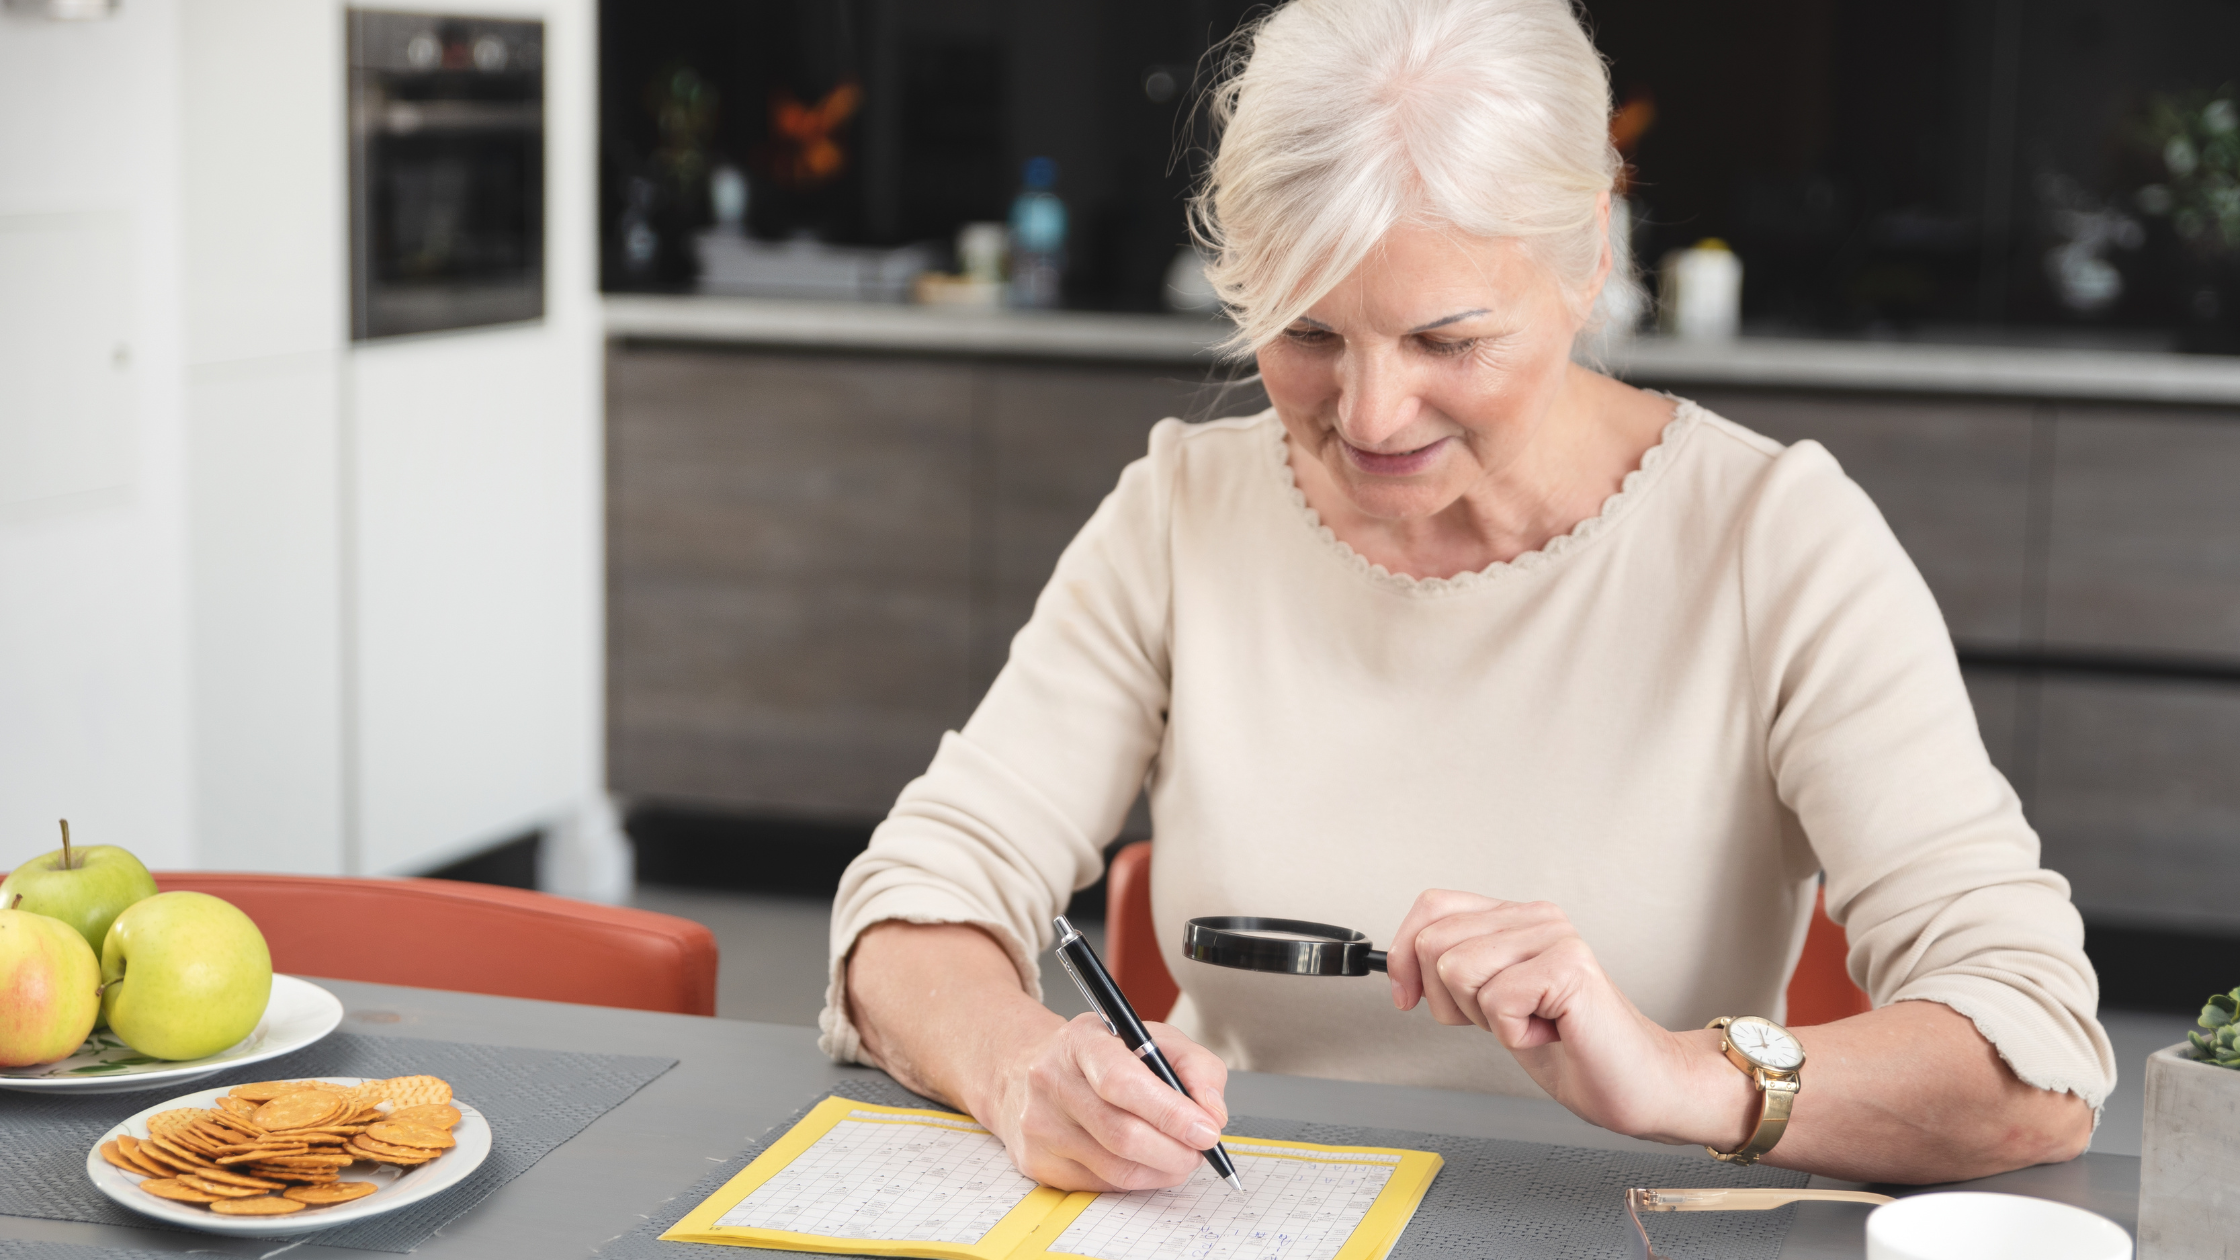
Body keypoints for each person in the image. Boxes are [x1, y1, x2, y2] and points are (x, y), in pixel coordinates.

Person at [822, 0, 2113, 1193]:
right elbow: (913, 908)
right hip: (1233, 1219)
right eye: (1309, 334)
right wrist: (1018, 1071)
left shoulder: (1773, 542)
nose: (1373, 416)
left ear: (1589, 253)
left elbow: (2034, 1057)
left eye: (1449, 340)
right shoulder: (1182, 512)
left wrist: (1679, 1076)